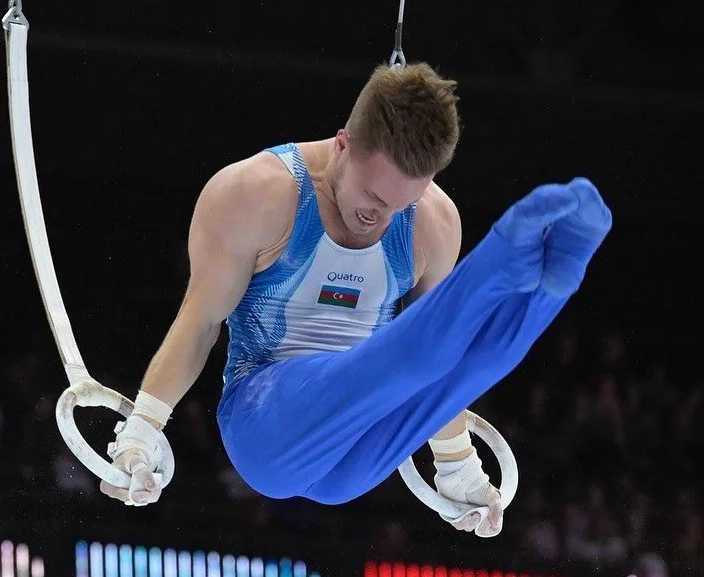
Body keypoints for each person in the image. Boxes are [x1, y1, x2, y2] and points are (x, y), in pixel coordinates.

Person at [98, 62, 612, 538]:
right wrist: (141, 432)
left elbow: (439, 355)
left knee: (463, 359)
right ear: (343, 145)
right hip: (268, 428)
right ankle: (508, 253)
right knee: (400, 359)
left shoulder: (433, 221)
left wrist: (457, 462)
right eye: (373, 197)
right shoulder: (257, 193)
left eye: (401, 204)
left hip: (356, 455)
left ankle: (549, 284)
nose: (381, 218)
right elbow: (201, 322)